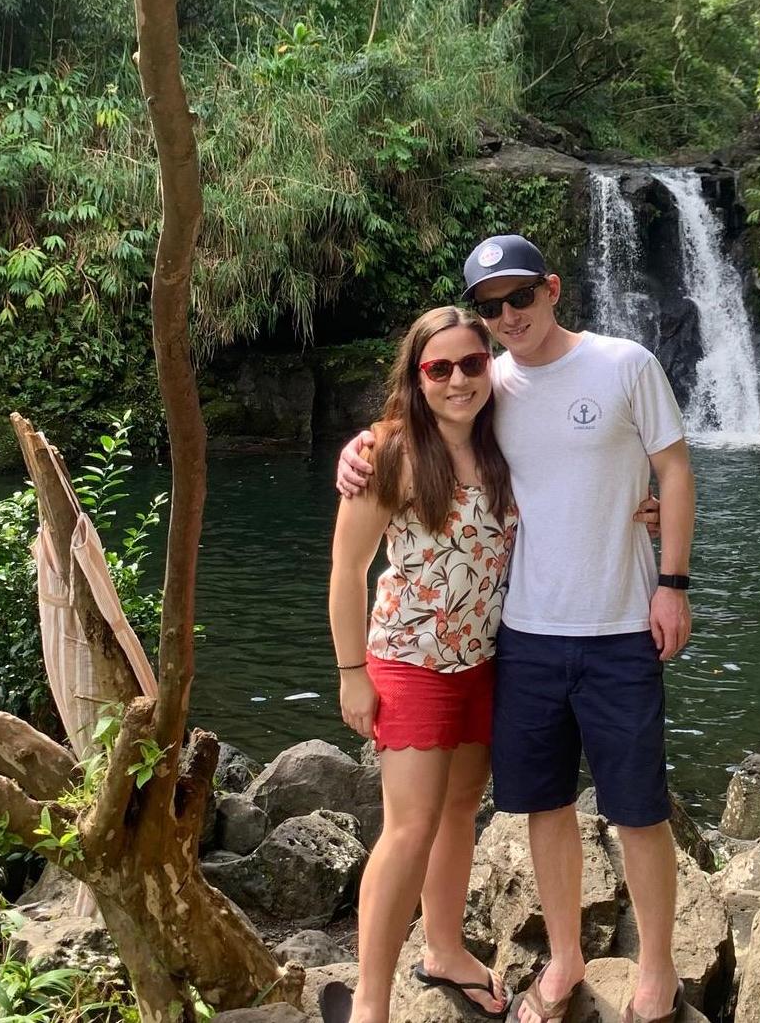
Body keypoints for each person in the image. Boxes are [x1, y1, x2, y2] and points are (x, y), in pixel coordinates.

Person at [337, 234, 695, 1023]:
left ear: (551, 289)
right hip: (513, 640)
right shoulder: (483, 386)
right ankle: (549, 961)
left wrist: (671, 578)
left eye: (518, 298)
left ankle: (656, 969)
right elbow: (403, 430)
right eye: (491, 306)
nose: (505, 318)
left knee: (632, 808)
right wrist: (357, 449)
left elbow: (669, 469)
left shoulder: (617, 364)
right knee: (533, 807)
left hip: (594, 631)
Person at [325, 306, 518, 1023]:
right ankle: (370, 1003)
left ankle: (443, 947)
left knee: (461, 808)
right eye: (440, 368)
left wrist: (642, 508)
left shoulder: (502, 442)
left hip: (481, 661)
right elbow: (348, 568)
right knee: (407, 828)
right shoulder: (393, 453)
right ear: (416, 376)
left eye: (473, 363)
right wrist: (351, 672)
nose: (459, 379)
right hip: (409, 661)